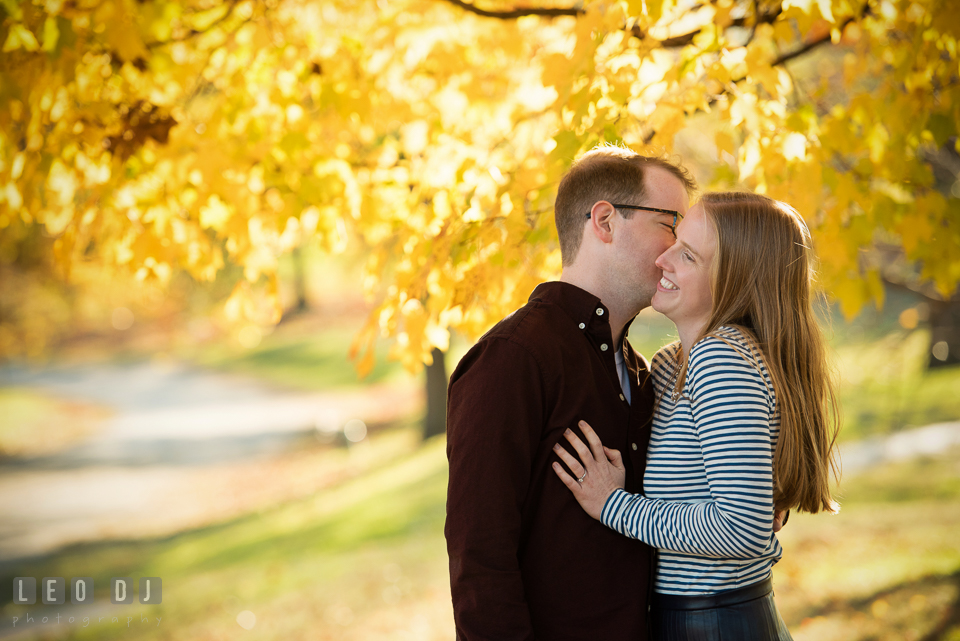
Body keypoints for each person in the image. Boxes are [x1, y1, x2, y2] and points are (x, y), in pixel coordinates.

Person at [552, 191, 840, 641]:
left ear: (735, 280)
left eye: (687, 255)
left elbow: (741, 528)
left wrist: (613, 505)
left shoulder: (720, 361)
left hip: (715, 623)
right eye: (674, 240)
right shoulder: (672, 363)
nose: (662, 259)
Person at [444, 146, 696, 640]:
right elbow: (480, 559)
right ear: (605, 221)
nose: (677, 250)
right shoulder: (514, 357)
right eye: (670, 224)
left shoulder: (638, 372)